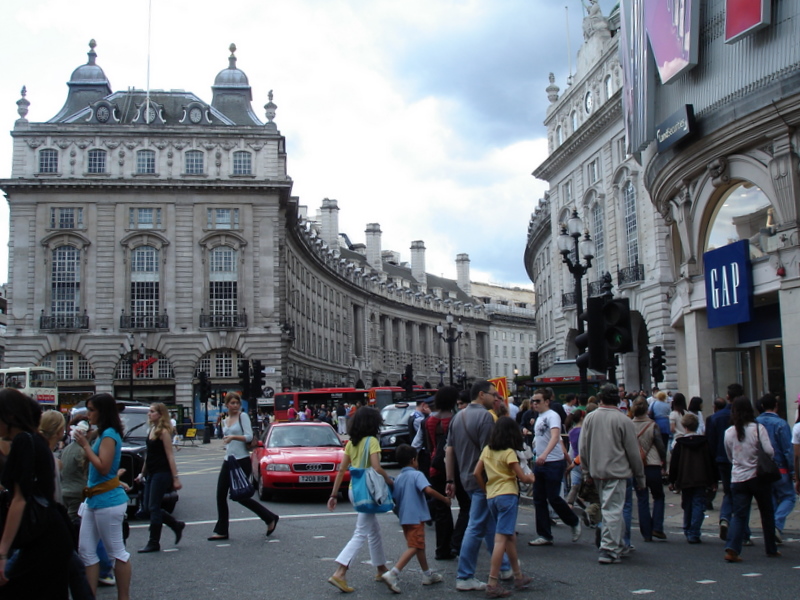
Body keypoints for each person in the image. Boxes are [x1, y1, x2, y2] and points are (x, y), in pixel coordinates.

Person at [0, 392, 73, 599]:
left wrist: (3, 552)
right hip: (50, 529)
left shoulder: (23, 441)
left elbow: (20, 498)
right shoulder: (35, 439)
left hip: (41, 534)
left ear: (10, 416)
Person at [445, 380, 513, 592]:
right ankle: (465, 576)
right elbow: (489, 452)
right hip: (483, 480)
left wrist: (450, 480)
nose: (496, 398)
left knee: (488, 524)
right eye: (493, 394)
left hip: (465, 478)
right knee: (475, 526)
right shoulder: (485, 417)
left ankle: (504, 567)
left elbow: (449, 450)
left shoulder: (458, 417)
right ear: (482, 395)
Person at [327, 407, 393, 593]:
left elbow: (342, 470)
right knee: (361, 532)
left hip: (354, 490)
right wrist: (389, 481)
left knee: (373, 530)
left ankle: (381, 568)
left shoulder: (351, 443)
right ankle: (340, 572)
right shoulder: (372, 441)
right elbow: (376, 467)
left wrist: (333, 495)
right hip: (369, 491)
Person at [74, 393, 132, 600]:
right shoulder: (102, 433)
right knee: (86, 551)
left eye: (91, 410)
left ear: (102, 412)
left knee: (116, 552)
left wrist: (85, 445)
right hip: (95, 499)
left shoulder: (109, 435)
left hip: (108, 500)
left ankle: (123, 597)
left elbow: (103, 466)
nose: (88, 414)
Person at [579, 383, 645, 564]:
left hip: (596, 471)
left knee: (611, 508)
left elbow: (583, 447)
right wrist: (640, 477)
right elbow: (633, 452)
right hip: (617, 471)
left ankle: (619, 544)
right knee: (613, 510)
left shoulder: (590, 418)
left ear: (601, 398)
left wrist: (586, 471)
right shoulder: (624, 420)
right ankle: (608, 549)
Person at [474, 417, 536, 598]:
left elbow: (476, 472)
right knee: (501, 539)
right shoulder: (509, 452)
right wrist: (532, 478)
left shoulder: (487, 450)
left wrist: (486, 489)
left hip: (492, 496)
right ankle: (492, 582)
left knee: (509, 537)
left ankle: (518, 576)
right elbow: (522, 477)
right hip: (507, 495)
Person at [209, 392, 278, 540]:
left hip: (241, 460)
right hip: (228, 460)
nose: (235, 406)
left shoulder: (243, 416)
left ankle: (269, 517)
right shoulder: (225, 420)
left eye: (237, 403)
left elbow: (249, 436)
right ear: (227, 404)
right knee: (220, 495)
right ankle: (222, 530)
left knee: (240, 496)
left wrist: (233, 437)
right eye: (232, 403)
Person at [380, 444, 448, 594]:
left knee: (418, 545)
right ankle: (393, 573)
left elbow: (396, 497)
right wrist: (444, 499)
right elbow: (428, 490)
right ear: (413, 460)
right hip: (416, 517)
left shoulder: (399, 478)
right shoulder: (417, 475)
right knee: (415, 546)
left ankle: (427, 574)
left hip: (404, 518)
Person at [723, 396, 779, 562]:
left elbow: (729, 455)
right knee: (766, 512)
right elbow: (769, 451)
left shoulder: (729, 432)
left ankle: (732, 548)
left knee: (739, 515)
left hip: (738, 478)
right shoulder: (758, 429)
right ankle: (771, 548)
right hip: (758, 476)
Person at [527, 388, 581, 547]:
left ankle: (573, 521)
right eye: (533, 401)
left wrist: (545, 454)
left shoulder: (552, 416)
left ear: (546, 401)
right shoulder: (539, 417)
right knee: (538, 499)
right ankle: (544, 534)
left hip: (553, 462)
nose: (534, 404)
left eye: (537, 401)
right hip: (540, 462)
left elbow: (556, 436)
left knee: (553, 497)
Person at [135, 403, 186, 553]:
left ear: (160, 414)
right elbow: (149, 455)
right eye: (149, 411)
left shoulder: (163, 432)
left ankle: (154, 542)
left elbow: (170, 456)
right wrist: (142, 474)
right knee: (147, 507)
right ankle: (176, 524)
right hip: (151, 472)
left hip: (162, 473)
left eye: (152, 411)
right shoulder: (152, 429)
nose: (149, 414)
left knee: (154, 507)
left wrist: (175, 478)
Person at [705, 383, 749, 543]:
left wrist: (711, 467)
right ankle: (743, 533)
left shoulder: (715, 418)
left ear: (728, 397)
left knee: (729, 493)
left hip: (722, 459)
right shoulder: (747, 418)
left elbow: (710, 443)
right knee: (743, 496)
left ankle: (725, 518)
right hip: (742, 460)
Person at [668, 413, 716, 543]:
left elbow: (674, 464)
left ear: (684, 426)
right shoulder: (704, 443)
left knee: (687, 504)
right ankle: (694, 531)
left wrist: (672, 480)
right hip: (701, 477)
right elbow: (710, 462)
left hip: (685, 478)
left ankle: (687, 527)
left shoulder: (680, 444)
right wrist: (713, 480)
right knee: (698, 504)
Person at [755, 393, 795, 544]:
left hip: (761, 467)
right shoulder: (781, 424)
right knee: (789, 497)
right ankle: (776, 525)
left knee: (771, 500)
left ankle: (773, 528)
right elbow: (787, 450)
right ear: (776, 406)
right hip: (780, 467)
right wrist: (793, 471)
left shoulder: (756, 423)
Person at [424, 386, 459, 560]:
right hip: (454, 466)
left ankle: (442, 548)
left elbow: (430, 445)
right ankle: (455, 543)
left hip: (435, 466)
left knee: (441, 508)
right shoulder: (454, 419)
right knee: (466, 506)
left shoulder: (429, 421)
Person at [631, 398, 667, 542]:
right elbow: (660, 446)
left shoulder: (629, 425)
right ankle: (657, 527)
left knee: (642, 498)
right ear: (647, 409)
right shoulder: (652, 425)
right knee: (658, 496)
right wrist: (663, 461)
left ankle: (646, 532)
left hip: (636, 466)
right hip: (653, 464)